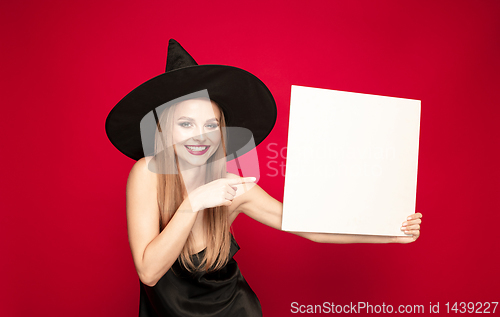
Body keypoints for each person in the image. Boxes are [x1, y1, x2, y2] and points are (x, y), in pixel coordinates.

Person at [105, 39, 423, 317]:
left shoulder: (234, 187)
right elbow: (148, 271)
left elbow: (310, 228)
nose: (199, 136)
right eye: (186, 124)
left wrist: (390, 234)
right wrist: (194, 203)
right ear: (165, 128)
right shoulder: (147, 173)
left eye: (211, 125)